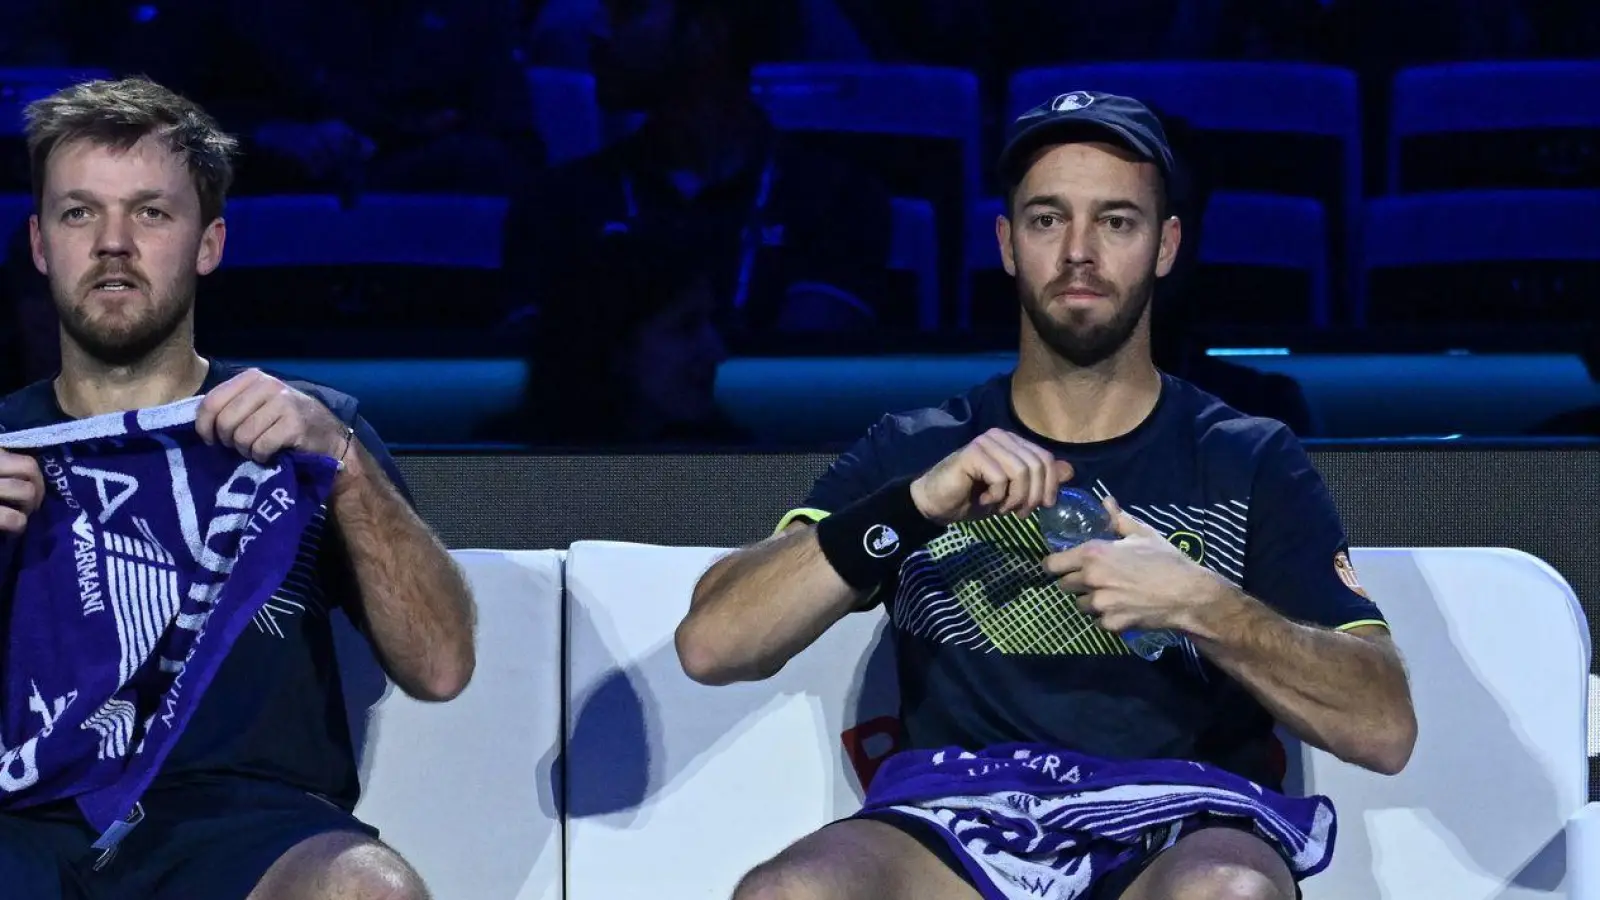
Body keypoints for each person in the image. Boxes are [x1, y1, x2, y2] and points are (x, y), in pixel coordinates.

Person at [676, 91, 1417, 899]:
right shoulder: (918, 449)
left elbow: (1382, 727)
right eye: (1045, 219)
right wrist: (913, 505)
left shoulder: (1247, 458)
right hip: (953, 822)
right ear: (1005, 242)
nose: (1077, 250)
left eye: (1116, 221)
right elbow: (713, 645)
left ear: (1166, 245)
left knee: (1228, 894)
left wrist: (1203, 606)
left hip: (1180, 824)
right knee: (789, 893)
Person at [0, 77, 477, 899]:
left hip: (245, 827)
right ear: (42, 244)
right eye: (80, 213)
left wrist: (345, 466)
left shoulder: (309, 430)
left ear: (209, 243)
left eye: (151, 213)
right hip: (19, 823)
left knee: (369, 890)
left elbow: (441, 665)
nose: (114, 242)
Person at [501, 0, 895, 335]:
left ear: (709, 29)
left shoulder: (838, 200)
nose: (595, 29)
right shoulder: (554, 204)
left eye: (627, 9)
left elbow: (805, 382)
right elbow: (546, 383)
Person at [495, 221, 748, 446]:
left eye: (712, 323)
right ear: (611, 346)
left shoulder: (732, 463)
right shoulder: (504, 466)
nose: (718, 352)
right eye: (686, 327)